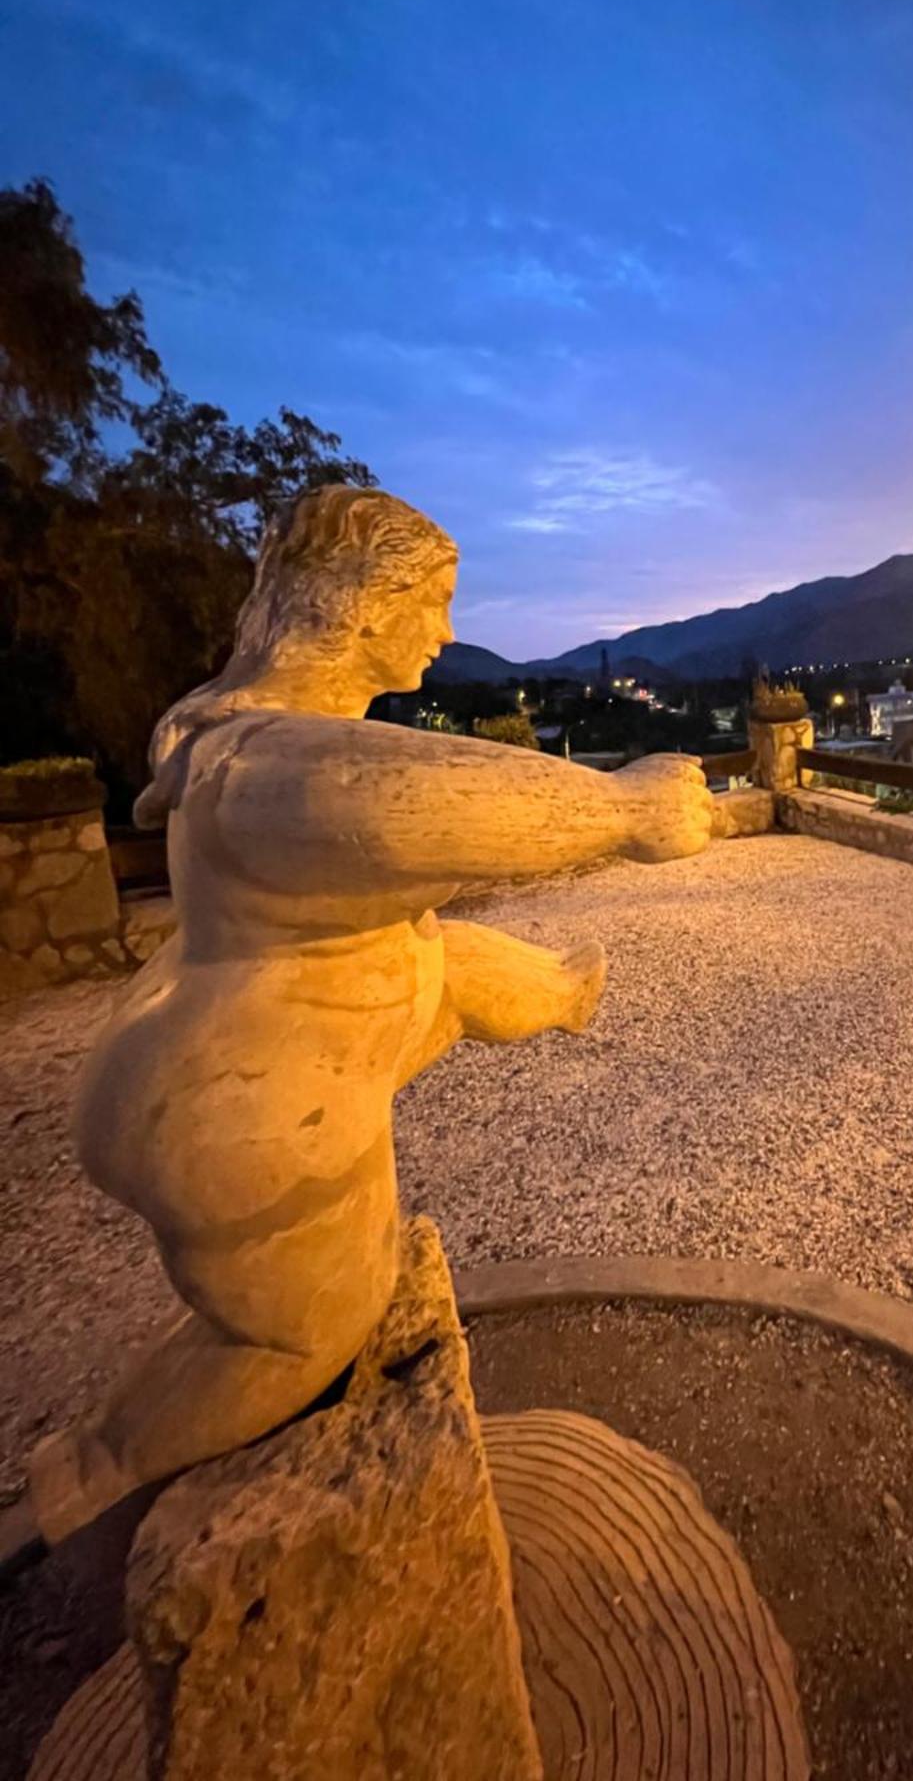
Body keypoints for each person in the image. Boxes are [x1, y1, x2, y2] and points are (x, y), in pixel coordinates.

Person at [29, 487, 711, 1541]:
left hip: (245, 1071)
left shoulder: (235, 737)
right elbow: (411, 803)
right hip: (239, 1120)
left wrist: (548, 986)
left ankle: (559, 993)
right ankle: (94, 1464)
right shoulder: (267, 762)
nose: (444, 630)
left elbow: (421, 933)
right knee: (307, 1329)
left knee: (427, 963)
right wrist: (629, 810)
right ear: (358, 603)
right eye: (431, 600)